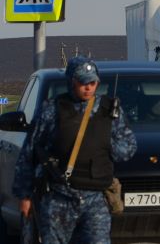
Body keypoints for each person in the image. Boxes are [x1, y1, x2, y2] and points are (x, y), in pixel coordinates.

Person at [13, 56, 137, 243]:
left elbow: (128, 149)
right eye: (82, 82)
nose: (88, 87)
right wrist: (25, 195)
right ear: (71, 82)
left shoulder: (109, 111)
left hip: (96, 199)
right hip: (59, 197)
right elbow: (29, 153)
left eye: (93, 82)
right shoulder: (52, 110)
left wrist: (102, 143)